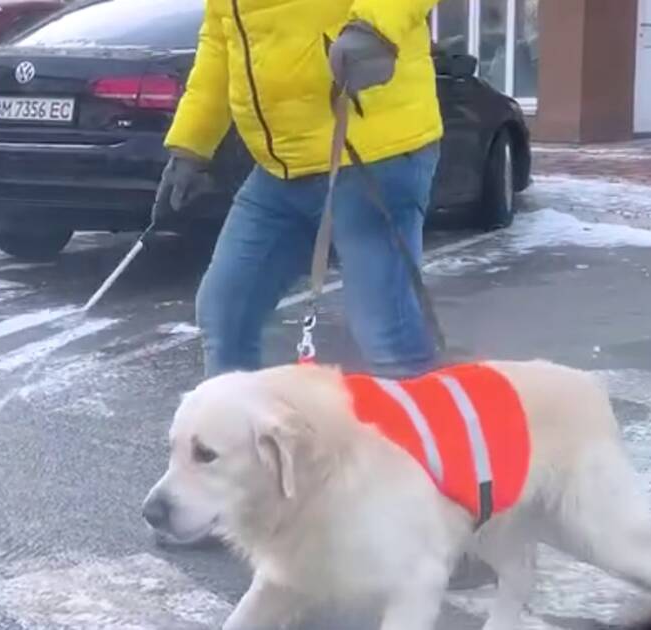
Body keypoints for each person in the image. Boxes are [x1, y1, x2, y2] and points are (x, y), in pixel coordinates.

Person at [151, 0, 443, 382]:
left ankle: (424, 436)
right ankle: (236, 439)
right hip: (281, 166)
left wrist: (375, 28)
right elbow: (220, 44)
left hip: (370, 149)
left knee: (387, 333)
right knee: (226, 310)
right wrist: (191, 146)